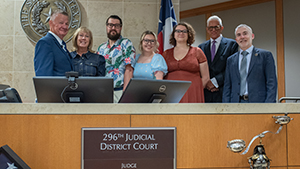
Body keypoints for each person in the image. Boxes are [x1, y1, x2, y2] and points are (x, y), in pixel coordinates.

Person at [222, 24, 277, 103]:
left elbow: (272, 83)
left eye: (245, 33)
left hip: (258, 103)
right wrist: (226, 106)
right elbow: (227, 86)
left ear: (252, 36)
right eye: (239, 35)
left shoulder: (265, 56)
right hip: (236, 103)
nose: (242, 37)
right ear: (236, 39)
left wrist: (268, 105)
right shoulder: (231, 60)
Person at [163, 22, 210, 103]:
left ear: (189, 34)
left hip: (193, 92)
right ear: (174, 34)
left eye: (184, 31)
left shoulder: (197, 52)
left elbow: (206, 77)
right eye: (178, 31)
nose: (181, 33)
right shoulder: (166, 54)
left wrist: (196, 89)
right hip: (171, 93)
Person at [199, 15, 238, 103]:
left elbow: (233, 68)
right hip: (206, 93)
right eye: (210, 28)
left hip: (223, 91)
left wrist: (216, 81)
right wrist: (207, 83)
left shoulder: (232, 45)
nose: (213, 30)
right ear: (207, 29)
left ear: (221, 28)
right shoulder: (201, 47)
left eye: (216, 27)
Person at [97, 15, 136, 103]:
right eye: (110, 25)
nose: (113, 28)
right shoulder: (101, 48)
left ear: (121, 28)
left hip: (120, 91)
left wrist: (126, 94)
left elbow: (129, 69)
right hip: (104, 93)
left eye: (116, 26)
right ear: (106, 27)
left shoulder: (126, 44)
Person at [34, 9, 73, 76]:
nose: (64, 26)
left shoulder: (62, 44)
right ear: (51, 23)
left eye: (66, 24)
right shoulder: (45, 43)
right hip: (55, 87)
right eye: (61, 23)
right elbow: (43, 76)